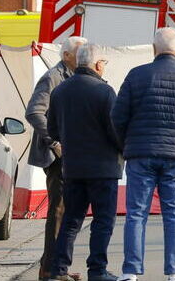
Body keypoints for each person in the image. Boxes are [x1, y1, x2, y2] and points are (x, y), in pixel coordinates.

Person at [112, 28, 175, 281]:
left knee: (136, 213)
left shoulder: (135, 76)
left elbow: (117, 117)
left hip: (140, 155)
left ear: (154, 48)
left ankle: (130, 272)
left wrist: (128, 145)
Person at [47, 44, 122, 281]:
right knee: (103, 220)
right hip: (104, 168)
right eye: (104, 63)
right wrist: (124, 149)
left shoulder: (60, 91)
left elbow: (52, 130)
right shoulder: (105, 92)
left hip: (73, 167)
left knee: (71, 220)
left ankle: (58, 270)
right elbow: (115, 130)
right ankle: (97, 270)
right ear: (98, 64)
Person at [26, 36, 87, 281]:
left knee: (67, 210)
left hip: (70, 155)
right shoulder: (53, 77)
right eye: (79, 54)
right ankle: (50, 269)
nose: (84, 59)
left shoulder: (71, 77)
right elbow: (34, 111)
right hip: (56, 157)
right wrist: (54, 142)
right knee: (59, 211)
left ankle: (57, 266)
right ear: (66, 56)